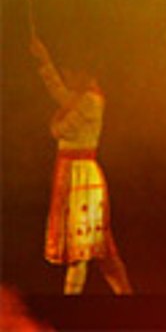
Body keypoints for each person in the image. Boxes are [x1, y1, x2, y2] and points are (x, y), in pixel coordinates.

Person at [28, 34, 133, 295]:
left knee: (83, 252)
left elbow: (61, 129)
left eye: (70, 74)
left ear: (83, 73)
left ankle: (73, 306)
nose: (67, 80)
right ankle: (128, 297)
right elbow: (59, 92)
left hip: (82, 179)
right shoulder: (83, 95)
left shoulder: (91, 100)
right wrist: (43, 60)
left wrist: (53, 125)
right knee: (101, 252)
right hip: (74, 176)